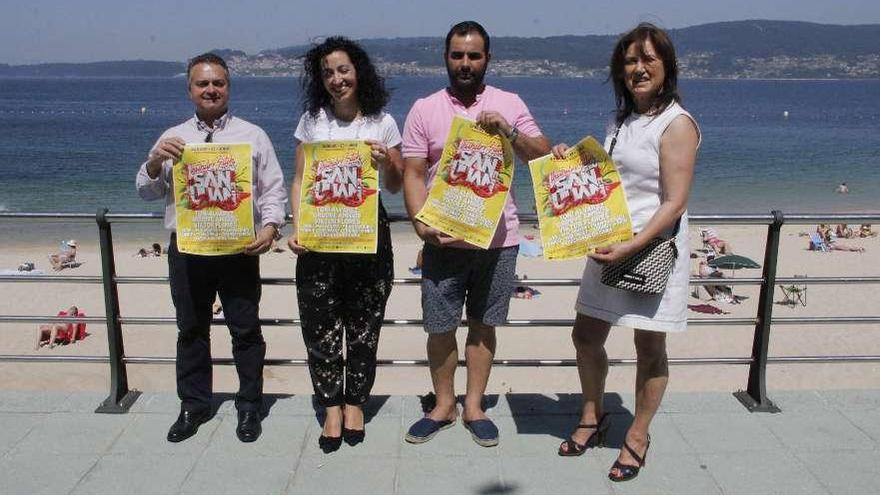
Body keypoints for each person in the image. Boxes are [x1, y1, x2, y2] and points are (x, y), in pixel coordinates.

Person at [550, 24, 700, 482]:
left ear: (667, 67)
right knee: (585, 336)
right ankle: (592, 417)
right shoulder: (619, 122)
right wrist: (567, 159)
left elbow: (675, 201)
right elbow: (610, 183)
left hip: (650, 251)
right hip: (608, 244)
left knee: (649, 347)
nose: (638, 68)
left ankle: (637, 435)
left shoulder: (677, 124)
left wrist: (632, 245)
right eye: (630, 61)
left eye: (648, 59)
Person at [401, 21, 551, 447]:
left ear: (487, 59)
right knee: (439, 327)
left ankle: (474, 406)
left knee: (484, 326)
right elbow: (412, 172)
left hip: (498, 239)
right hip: (442, 239)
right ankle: (443, 405)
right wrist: (418, 222)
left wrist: (509, 129)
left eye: (474, 55)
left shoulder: (510, 102)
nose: (465, 63)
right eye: (457, 55)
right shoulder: (424, 109)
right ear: (445, 57)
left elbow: (542, 158)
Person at [135, 52, 286, 443]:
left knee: (246, 332)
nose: (211, 89)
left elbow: (273, 190)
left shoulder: (253, 135)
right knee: (190, 331)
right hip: (188, 252)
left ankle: (250, 406)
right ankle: (193, 405)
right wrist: (154, 163)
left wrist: (270, 227)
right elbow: (144, 191)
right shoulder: (172, 136)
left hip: (238, 252)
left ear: (228, 88)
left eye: (218, 82)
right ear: (190, 90)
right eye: (203, 83)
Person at [286, 37, 403, 453]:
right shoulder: (312, 121)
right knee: (319, 328)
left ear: (359, 72)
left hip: (369, 239)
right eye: (328, 73)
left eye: (343, 70)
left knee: (364, 327)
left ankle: (355, 403)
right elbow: (299, 180)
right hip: (319, 241)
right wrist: (297, 227)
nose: (337, 79)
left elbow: (394, 185)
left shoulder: (383, 122)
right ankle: (330, 406)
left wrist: (388, 160)